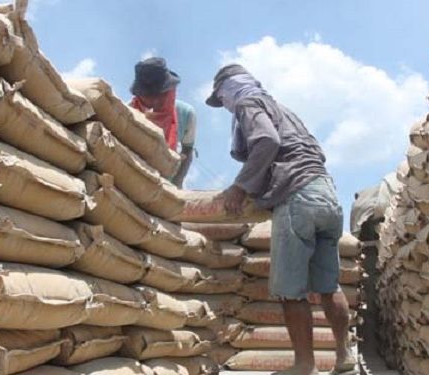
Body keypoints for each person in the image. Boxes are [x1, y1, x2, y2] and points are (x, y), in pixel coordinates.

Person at [205, 64, 356, 375]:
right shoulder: (284, 109)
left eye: (223, 100)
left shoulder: (248, 103)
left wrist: (240, 186)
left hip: (298, 197)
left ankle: (304, 366)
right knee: (329, 286)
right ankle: (343, 358)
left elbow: (266, 141)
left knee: (290, 291)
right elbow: (313, 151)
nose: (226, 107)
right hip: (327, 193)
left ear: (228, 90)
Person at [130, 57, 196, 188]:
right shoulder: (127, 115)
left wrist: (177, 183)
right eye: (149, 96)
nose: (155, 101)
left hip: (169, 185)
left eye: (160, 95)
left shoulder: (186, 113)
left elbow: (187, 151)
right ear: (139, 95)